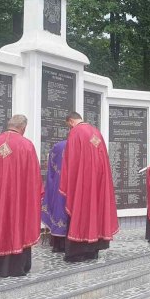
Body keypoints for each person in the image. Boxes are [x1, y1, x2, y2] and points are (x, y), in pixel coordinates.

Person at [0, 115, 42, 277]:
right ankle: (15, 267)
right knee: (17, 226)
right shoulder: (26, 145)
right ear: (23, 128)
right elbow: (34, 178)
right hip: (17, 200)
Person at [60, 112, 118, 262]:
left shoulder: (76, 132)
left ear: (71, 121)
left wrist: (68, 183)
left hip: (83, 183)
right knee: (95, 211)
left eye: (68, 125)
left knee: (81, 212)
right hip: (99, 182)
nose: (69, 128)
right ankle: (93, 251)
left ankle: (76, 253)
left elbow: (70, 161)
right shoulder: (96, 132)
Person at [42, 140, 68, 252]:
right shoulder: (84, 145)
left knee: (60, 209)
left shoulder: (58, 146)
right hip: (76, 186)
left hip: (59, 185)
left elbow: (51, 170)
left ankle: (59, 244)